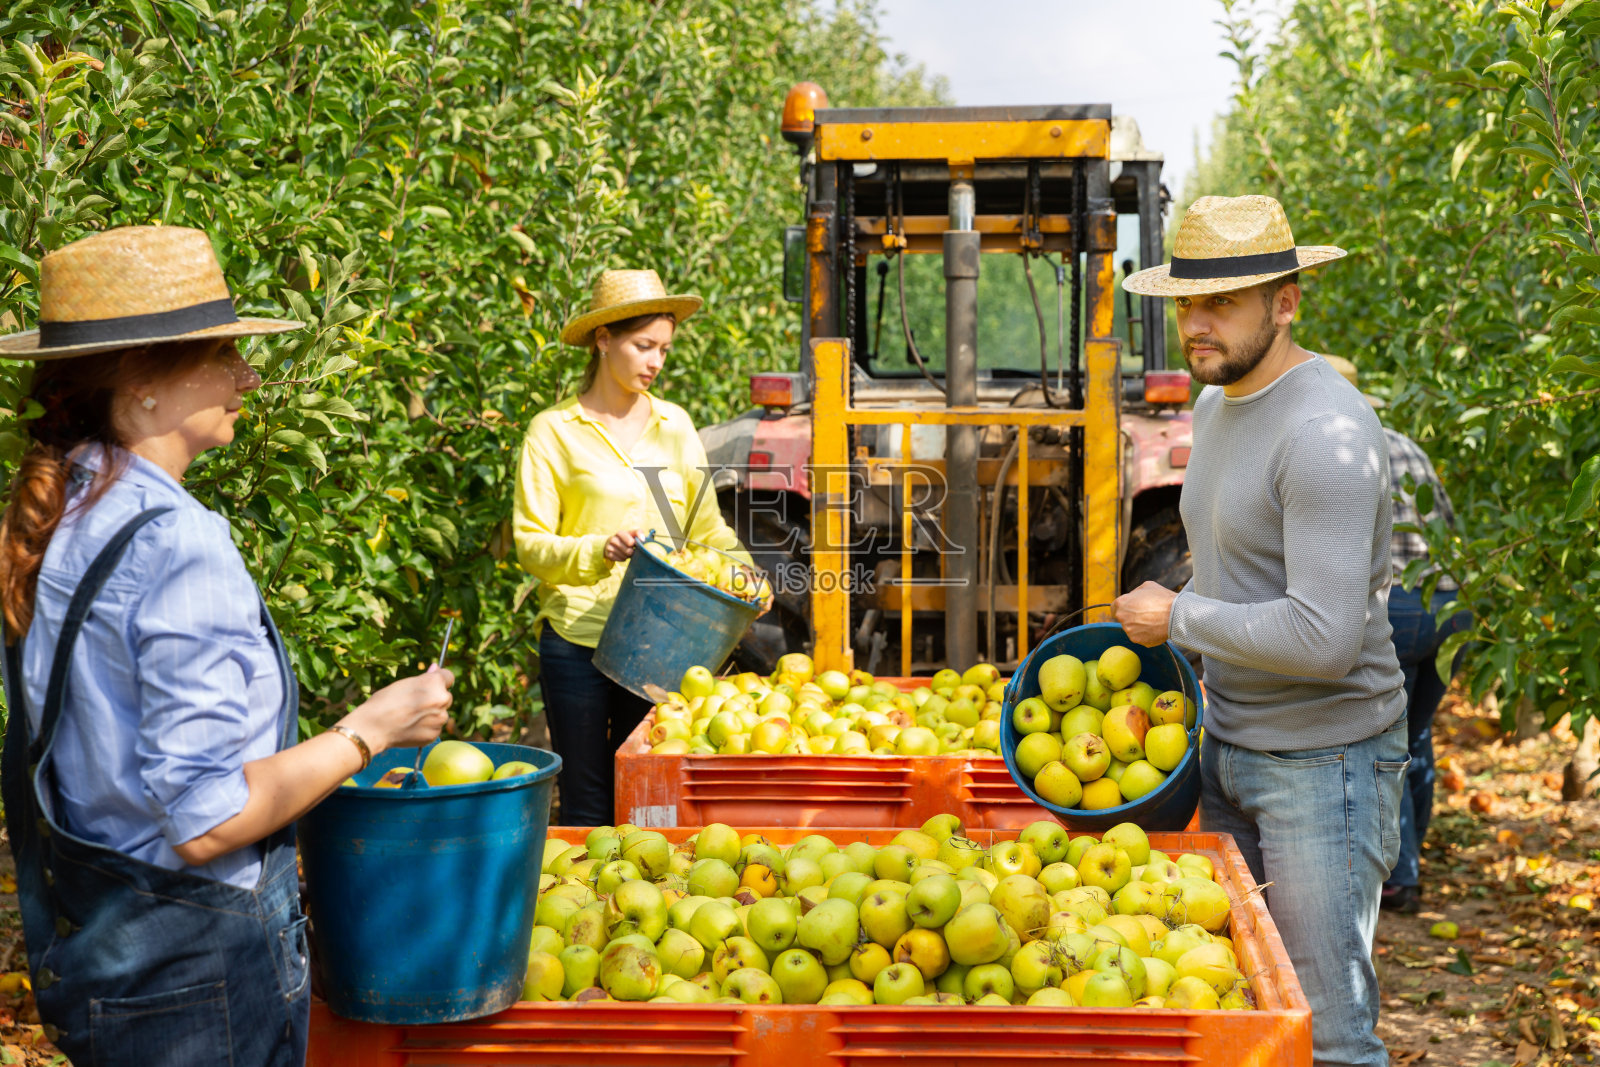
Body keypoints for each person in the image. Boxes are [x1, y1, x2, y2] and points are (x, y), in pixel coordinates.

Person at [0, 227, 455, 1066]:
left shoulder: (62, 506)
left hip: (112, 947)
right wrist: (371, 729)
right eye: (224, 355)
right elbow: (207, 820)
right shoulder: (177, 542)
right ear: (141, 389)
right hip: (197, 975)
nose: (249, 375)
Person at [1113, 195, 1408, 1067]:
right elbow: (1237, 565)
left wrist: (1180, 615)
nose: (1197, 326)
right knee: (1245, 1010)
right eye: (1187, 303)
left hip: (1325, 762)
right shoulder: (1215, 408)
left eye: (1224, 303)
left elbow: (1324, 637)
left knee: (1328, 1032)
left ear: (1287, 302)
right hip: (1229, 745)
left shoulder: (1324, 429)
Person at [514, 269, 751, 826]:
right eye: (643, 346)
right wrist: (599, 549)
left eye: (664, 349)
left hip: (664, 640)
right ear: (603, 340)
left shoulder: (675, 426)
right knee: (587, 801)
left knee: (651, 797)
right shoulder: (553, 433)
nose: (656, 362)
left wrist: (745, 578)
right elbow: (531, 544)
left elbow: (706, 531)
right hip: (579, 640)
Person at [1325, 355, 1470, 914]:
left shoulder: (1341, 450)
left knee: (1389, 738)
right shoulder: (1406, 442)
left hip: (1403, 605)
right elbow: (1449, 524)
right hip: (1453, 604)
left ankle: (1400, 877)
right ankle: (1414, 855)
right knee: (1416, 734)